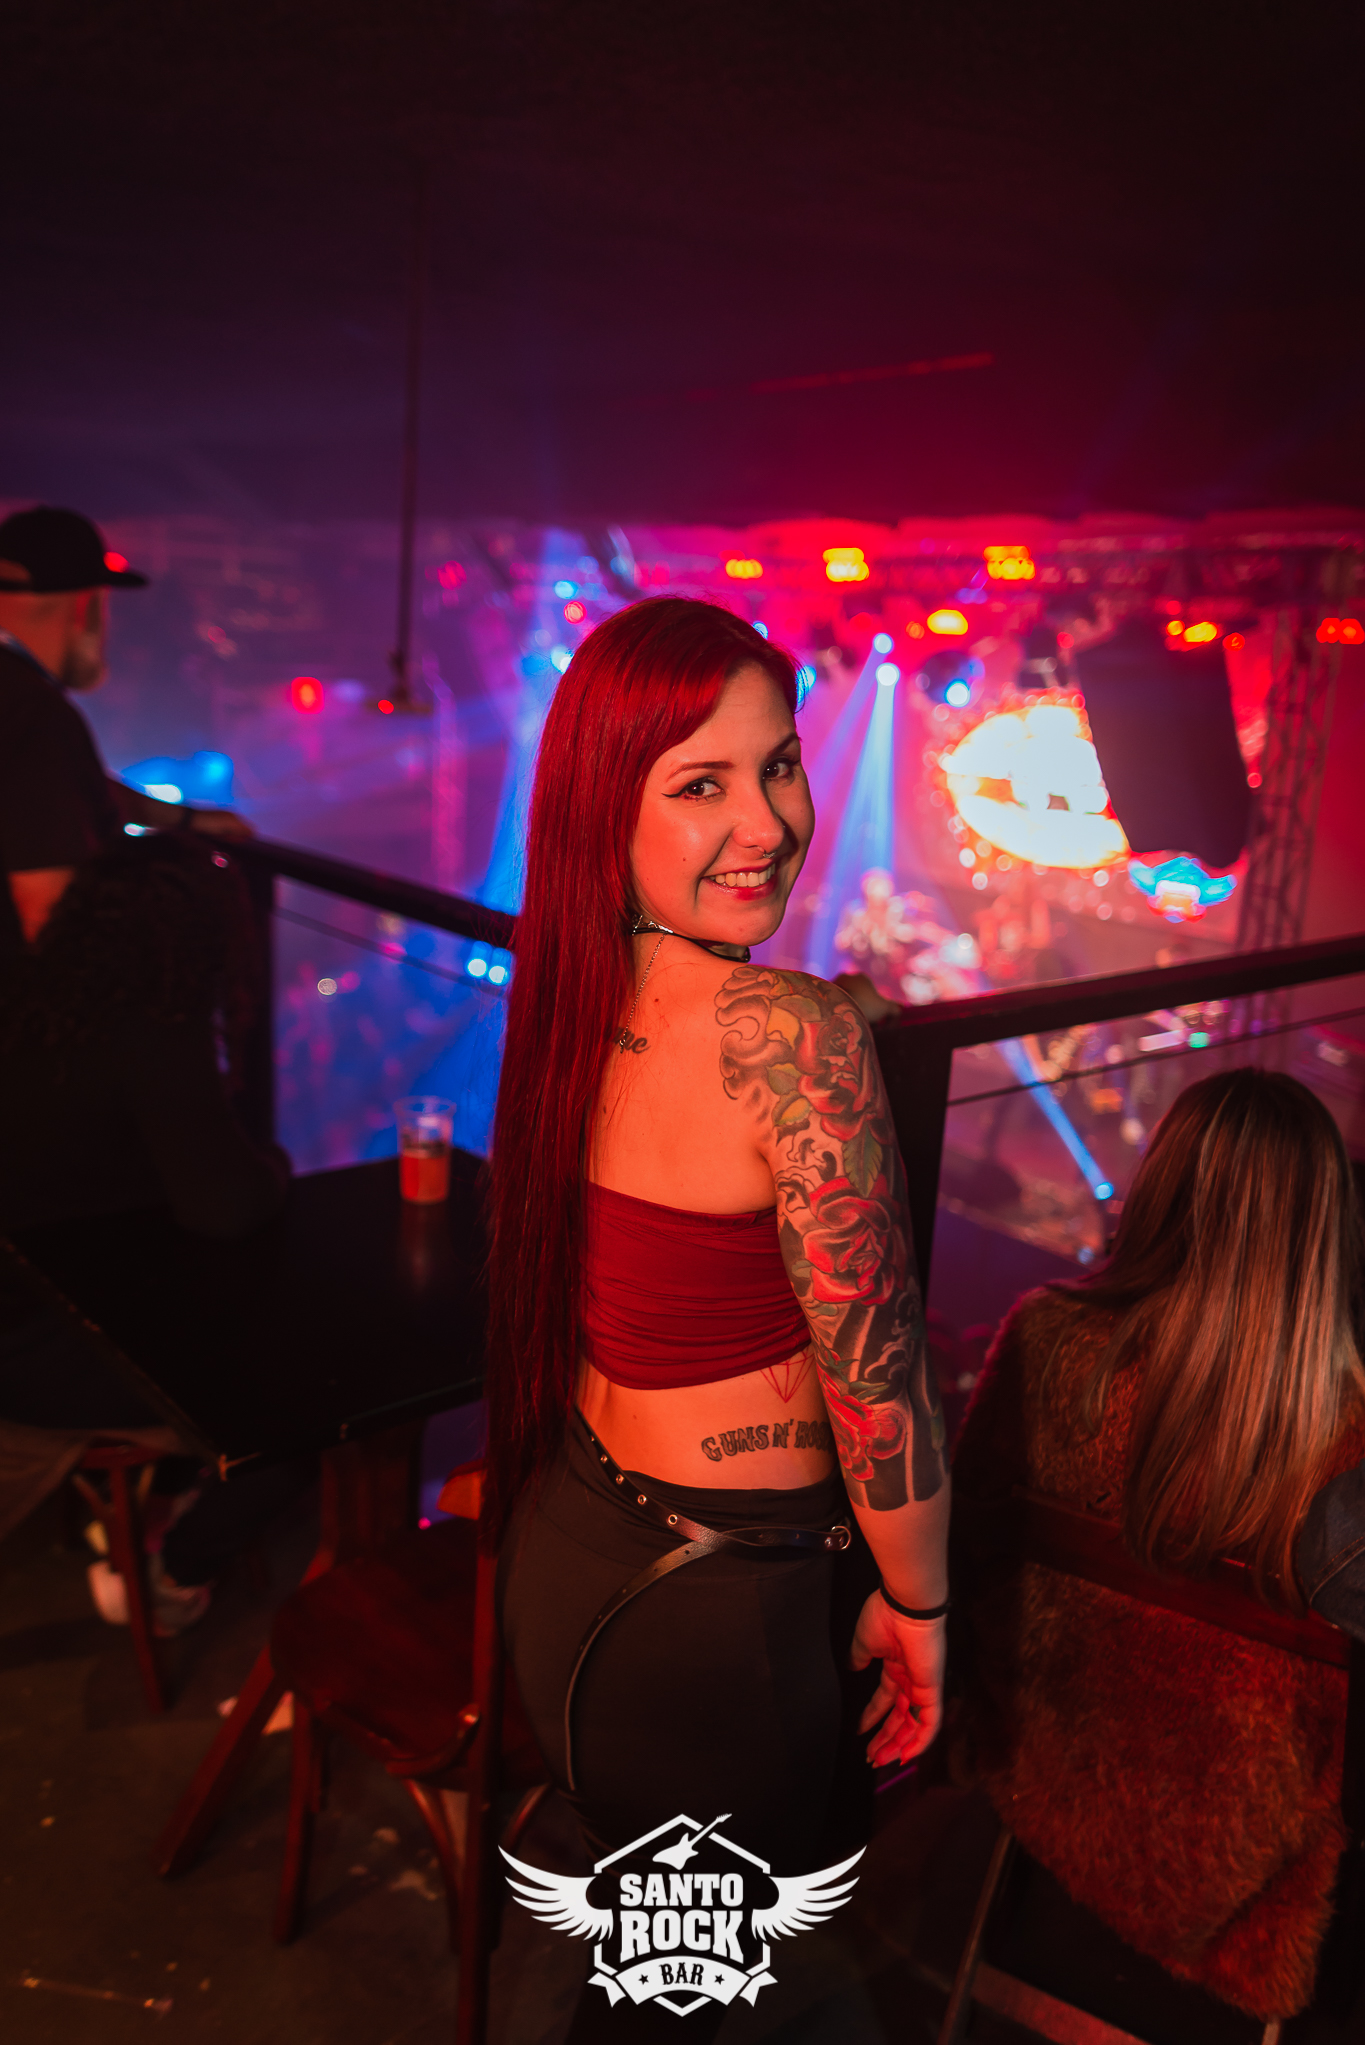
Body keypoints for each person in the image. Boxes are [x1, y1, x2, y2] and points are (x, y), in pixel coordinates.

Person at [486, 598, 950, 2041]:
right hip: (718, 1617)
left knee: (639, 1968)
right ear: (606, 810)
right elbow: (881, 1391)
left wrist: (835, 1014)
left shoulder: (575, 986)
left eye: (781, 765)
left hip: (576, 1543)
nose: (767, 821)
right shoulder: (795, 1038)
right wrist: (922, 1608)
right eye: (701, 783)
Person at [952, 1069, 1365, 2024]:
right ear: (1322, 1231)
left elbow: (965, 1555)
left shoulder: (1043, 1339)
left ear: (1161, 1182)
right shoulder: (1343, 1440)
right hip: (1244, 1865)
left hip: (1044, 1769)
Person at [0, 828, 297, 1631]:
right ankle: (169, 1572)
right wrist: (275, 1165)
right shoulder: (156, 1028)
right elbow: (224, 1204)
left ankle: (153, 1505)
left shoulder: (30, 1002)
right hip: (54, 1354)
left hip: (25, 1314)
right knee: (302, 1414)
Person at [0, 503, 247, 958]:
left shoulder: (17, 708)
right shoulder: (36, 714)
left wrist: (185, 820)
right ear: (88, 606)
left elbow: (62, 786)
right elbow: (49, 922)